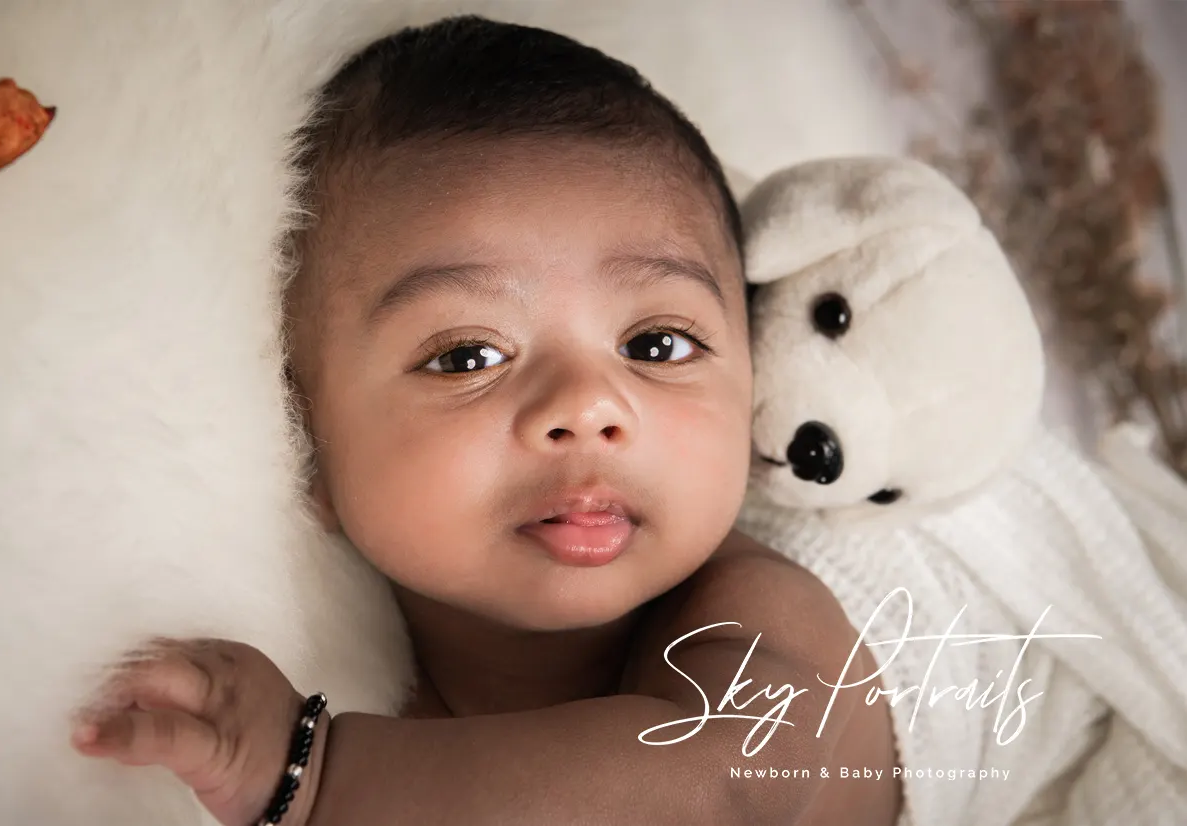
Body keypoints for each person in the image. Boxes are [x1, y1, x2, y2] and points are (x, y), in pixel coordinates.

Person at [70, 16, 901, 826]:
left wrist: (314, 777)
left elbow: (730, 783)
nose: (587, 406)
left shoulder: (756, 612)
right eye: (468, 357)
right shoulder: (383, 690)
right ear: (305, 444)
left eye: (656, 342)